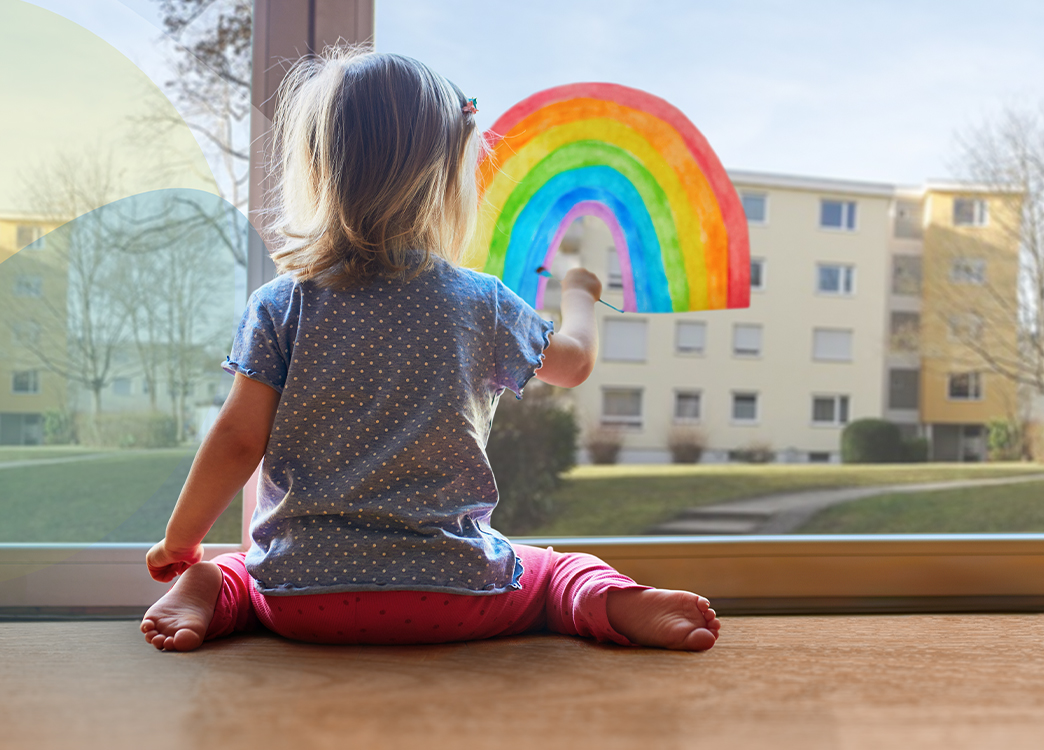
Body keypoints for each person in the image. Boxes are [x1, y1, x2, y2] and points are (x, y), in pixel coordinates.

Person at [139, 48, 720, 653]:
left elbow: (236, 440)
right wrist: (579, 294)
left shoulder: (282, 303)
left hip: (302, 596)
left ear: (315, 168)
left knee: (239, 568)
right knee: (553, 572)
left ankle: (207, 588)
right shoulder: (480, 302)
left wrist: (181, 544)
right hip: (454, 593)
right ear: (448, 181)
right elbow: (572, 363)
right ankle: (611, 600)